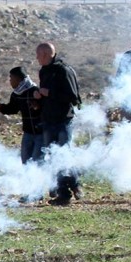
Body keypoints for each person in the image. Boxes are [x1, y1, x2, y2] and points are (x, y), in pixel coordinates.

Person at [35, 42, 82, 205]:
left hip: (63, 120)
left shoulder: (63, 71)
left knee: (63, 155)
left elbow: (73, 97)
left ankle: (68, 190)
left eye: (39, 55)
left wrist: (50, 93)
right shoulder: (44, 71)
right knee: (54, 156)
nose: (36, 58)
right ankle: (70, 188)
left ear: (46, 54)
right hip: (48, 120)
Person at [0, 66, 43, 164]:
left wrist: (38, 107)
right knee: (25, 160)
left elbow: (46, 107)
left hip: (40, 132)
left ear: (18, 79)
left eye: (11, 78)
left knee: (37, 160)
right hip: (28, 132)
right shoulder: (16, 94)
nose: (10, 81)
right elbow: (12, 109)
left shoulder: (34, 91)